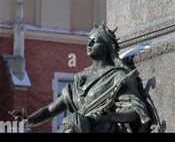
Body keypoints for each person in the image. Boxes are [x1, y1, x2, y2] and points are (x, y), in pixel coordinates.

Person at [12, 23, 161, 133]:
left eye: (95, 41)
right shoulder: (80, 80)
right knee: (73, 121)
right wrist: (29, 120)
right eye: (89, 40)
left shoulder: (118, 76)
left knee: (74, 120)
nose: (89, 44)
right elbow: (50, 110)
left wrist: (110, 116)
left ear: (107, 47)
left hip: (105, 130)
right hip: (76, 129)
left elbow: (136, 113)